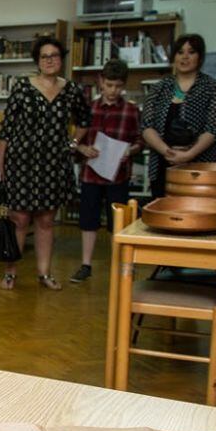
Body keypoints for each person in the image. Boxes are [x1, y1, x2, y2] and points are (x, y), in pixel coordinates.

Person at [0, 36, 90, 291]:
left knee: (47, 220)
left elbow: (84, 120)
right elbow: (6, 129)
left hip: (53, 163)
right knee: (19, 218)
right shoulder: (22, 87)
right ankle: (10, 272)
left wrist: (72, 144)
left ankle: (44, 273)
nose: (50, 60)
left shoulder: (71, 89)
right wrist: (1, 165)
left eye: (55, 56)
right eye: (44, 56)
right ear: (37, 61)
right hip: (21, 162)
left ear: (61, 59)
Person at [69, 59, 143, 283]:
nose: (113, 91)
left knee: (117, 222)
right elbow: (72, 142)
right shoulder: (87, 109)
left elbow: (140, 141)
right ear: (101, 82)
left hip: (117, 176)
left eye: (118, 86)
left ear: (124, 85)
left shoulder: (131, 111)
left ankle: (119, 264)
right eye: (109, 85)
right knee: (88, 220)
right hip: (91, 174)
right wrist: (82, 148)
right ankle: (86, 264)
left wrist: (130, 150)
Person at [140, 33, 216, 198]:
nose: (185, 57)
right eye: (180, 52)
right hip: (162, 165)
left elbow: (212, 129)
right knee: (163, 217)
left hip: (201, 167)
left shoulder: (213, 88)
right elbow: (146, 126)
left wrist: (188, 155)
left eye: (191, 52)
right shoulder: (159, 88)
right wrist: (168, 152)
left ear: (200, 57)